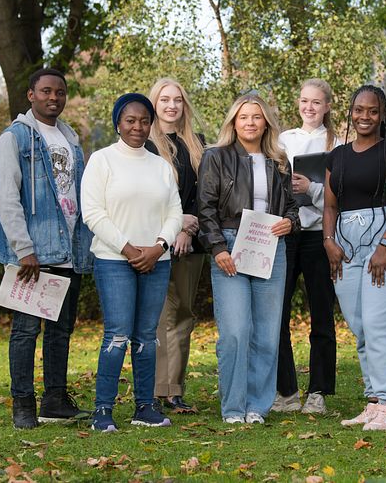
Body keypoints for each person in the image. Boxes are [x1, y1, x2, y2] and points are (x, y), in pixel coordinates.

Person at [0, 68, 93, 429]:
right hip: (34, 253)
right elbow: (7, 198)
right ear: (31, 95)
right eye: (46, 91)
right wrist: (23, 249)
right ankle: (23, 405)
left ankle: (55, 401)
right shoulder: (14, 138)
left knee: (61, 330)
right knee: (25, 330)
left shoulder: (71, 139)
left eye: (60, 92)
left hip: (69, 249)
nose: (54, 98)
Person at [81, 93, 183, 432]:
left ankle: (145, 407)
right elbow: (93, 213)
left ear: (151, 124)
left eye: (143, 120)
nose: (137, 126)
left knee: (145, 336)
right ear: (117, 123)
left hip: (157, 259)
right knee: (117, 334)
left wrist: (158, 247)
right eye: (130, 120)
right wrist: (128, 250)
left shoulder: (161, 167)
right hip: (114, 260)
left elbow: (175, 212)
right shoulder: (101, 160)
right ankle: (103, 410)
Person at [197, 94, 300, 424]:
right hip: (229, 246)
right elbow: (205, 209)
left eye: (257, 117)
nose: (250, 122)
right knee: (236, 331)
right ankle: (233, 407)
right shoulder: (216, 157)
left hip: (271, 246)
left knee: (267, 333)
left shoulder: (280, 160)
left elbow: (294, 207)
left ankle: (257, 406)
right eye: (244, 117)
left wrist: (291, 222)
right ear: (233, 122)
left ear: (266, 121)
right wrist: (217, 248)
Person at [323, 85, 386, 431]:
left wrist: (384, 245)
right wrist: (328, 242)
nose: (365, 117)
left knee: (380, 325)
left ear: (383, 114)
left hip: (384, 249)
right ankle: (373, 400)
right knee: (360, 326)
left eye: (372, 111)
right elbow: (330, 206)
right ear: (350, 112)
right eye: (359, 110)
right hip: (345, 249)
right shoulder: (337, 157)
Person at [272, 79, 339, 415]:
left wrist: (313, 187)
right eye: (303, 101)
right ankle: (286, 391)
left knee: (322, 315)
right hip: (287, 233)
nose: (309, 108)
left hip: (320, 234)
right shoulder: (284, 140)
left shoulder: (337, 143)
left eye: (316, 102)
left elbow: (341, 192)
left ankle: (319, 392)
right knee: (277, 314)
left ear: (327, 105)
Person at [145, 78, 206, 414]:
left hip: (190, 244)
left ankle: (175, 390)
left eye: (177, 100)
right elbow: (146, 195)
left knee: (183, 313)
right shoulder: (146, 145)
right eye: (164, 99)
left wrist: (190, 226)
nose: (171, 105)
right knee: (159, 315)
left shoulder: (197, 144)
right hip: (155, 240)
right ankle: (156, 387)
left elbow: (206, 194)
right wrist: (175, 226)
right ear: (154, 104)